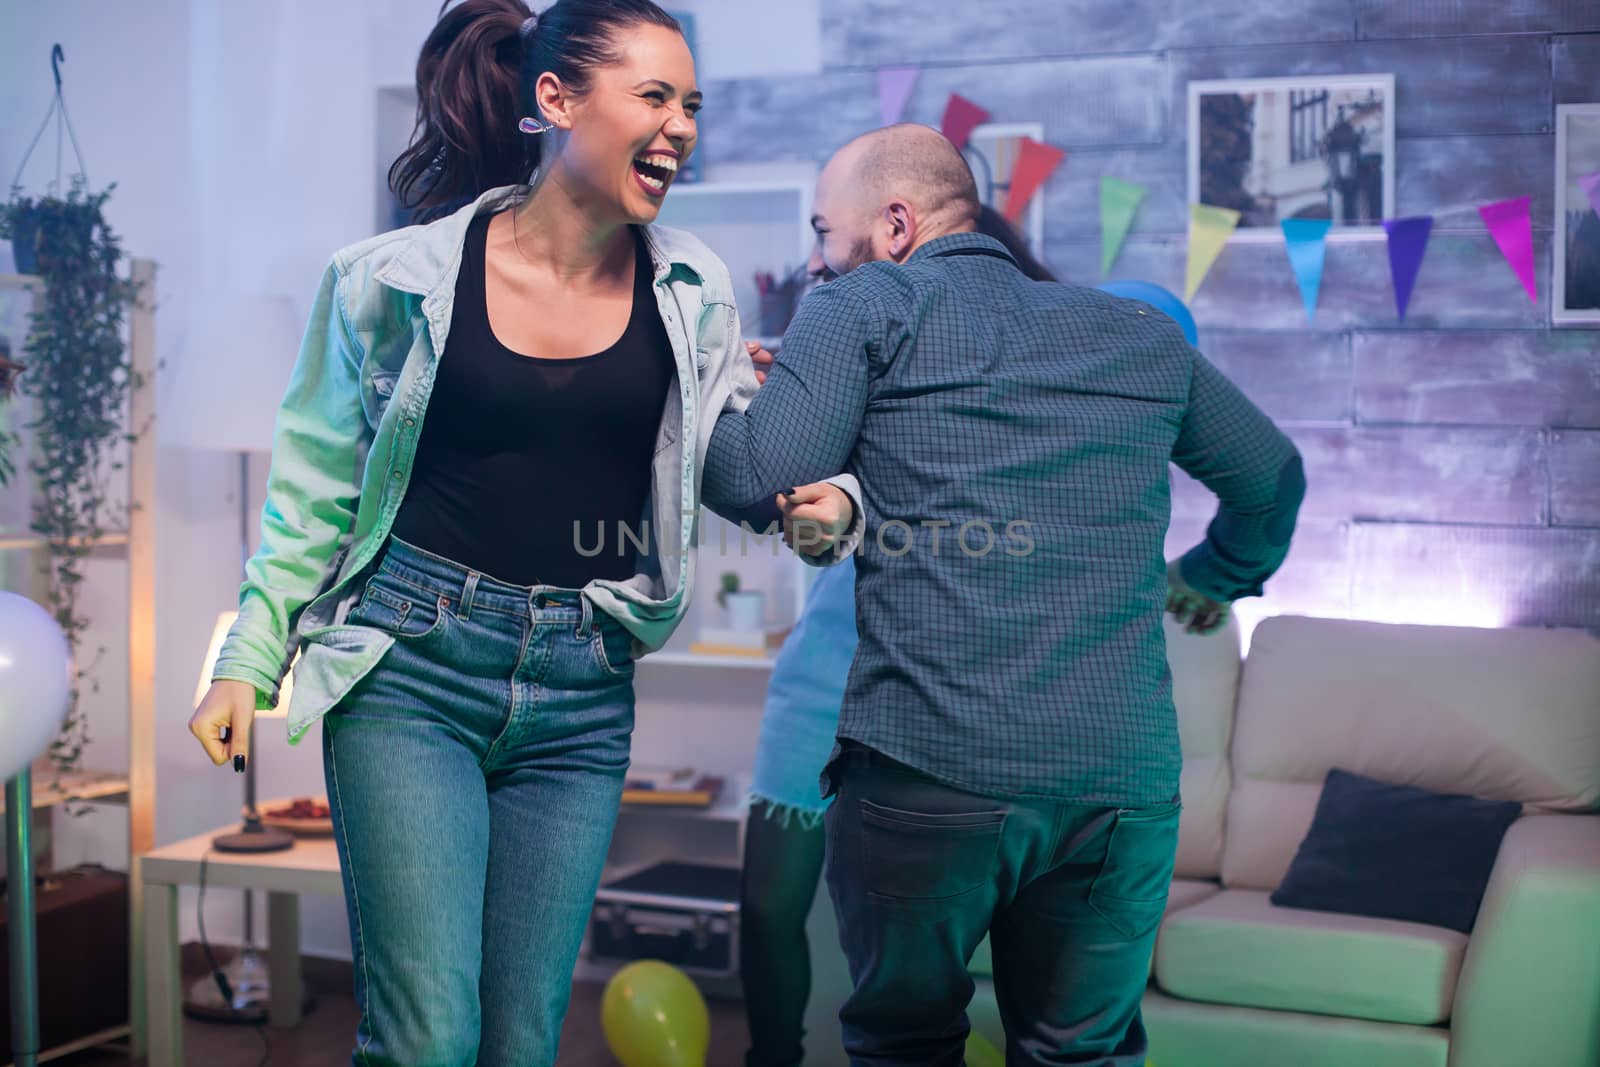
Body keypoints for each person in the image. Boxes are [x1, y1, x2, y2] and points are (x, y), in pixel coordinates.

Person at [185, 3, 856, 1064]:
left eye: (691, 104)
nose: (679, 125)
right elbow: (313, 484)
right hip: (410, 668)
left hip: (582, 686)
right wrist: (246, 657)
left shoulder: (692, 289)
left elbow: (725, 462)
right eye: (652, 96)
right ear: (555, 100)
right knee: (427, 1040)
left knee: (519, 1039)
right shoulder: (390, 277)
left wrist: (820, 505)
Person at [704, 123, 1304, 1065]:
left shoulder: (859, 307)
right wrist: (1209, 576)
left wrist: (721, 390)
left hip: (927, 772)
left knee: (907, 1045)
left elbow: (754, 476)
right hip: (1119, 789)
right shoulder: (1137, 334)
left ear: (895, 224)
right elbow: (1269, 477)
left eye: (826, 232)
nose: (818, 261)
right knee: (1085, 1054)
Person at [738, 205, 1059, 1067]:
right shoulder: (849, 344)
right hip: (819, 678)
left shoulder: (1005, 372)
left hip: (928, 691)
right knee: (767, 908)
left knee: (915, 951)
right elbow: (795, 490)